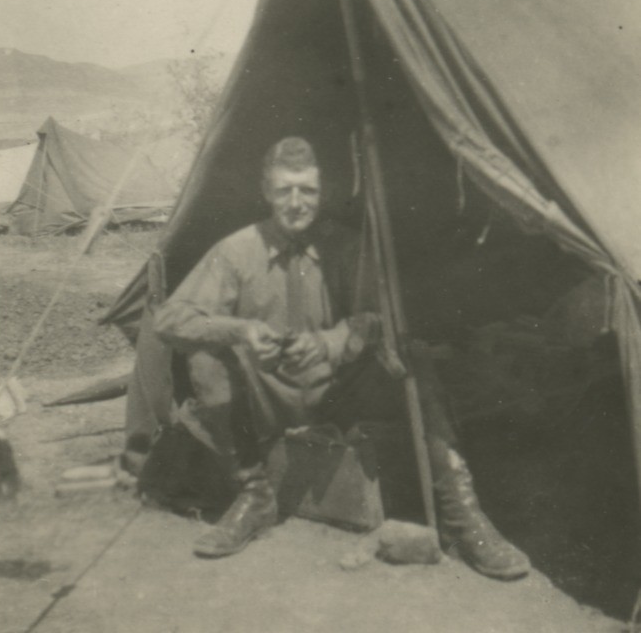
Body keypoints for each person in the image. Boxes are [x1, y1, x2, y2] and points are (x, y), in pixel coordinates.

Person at [153, 137, 530, 580]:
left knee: (413, 355)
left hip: (339, 388)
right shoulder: (236, 251)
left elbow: (381, 318)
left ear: (323, 192)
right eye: (284, 191)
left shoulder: (349, 246)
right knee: (205, 359)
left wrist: (332, 341)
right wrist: (242, 331)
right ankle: (254, 497)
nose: (296, 203)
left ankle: (465, 517)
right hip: (267, 395)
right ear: (265, 192)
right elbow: (168, 319)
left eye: (307, 191)